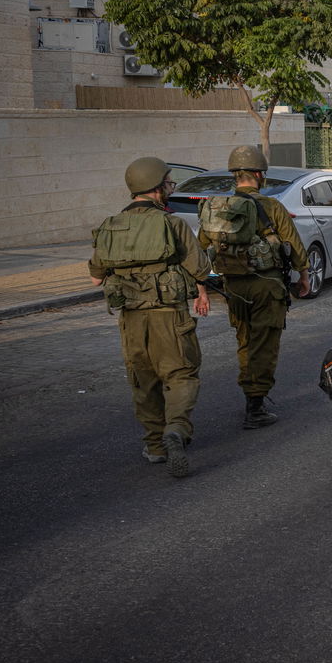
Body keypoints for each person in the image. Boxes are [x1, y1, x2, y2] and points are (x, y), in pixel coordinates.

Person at [89, 156, 212, 478]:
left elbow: (95, 277)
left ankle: (156, 446)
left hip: (130, 319)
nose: (170, 189)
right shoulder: (173, 224)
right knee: (181, 375)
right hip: (170, 316)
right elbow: (200, 268)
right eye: (169, 184)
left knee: (143, 381)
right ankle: (176, 430)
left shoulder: (110, 225)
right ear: (157, 189)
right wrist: (200, 288)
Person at [198, 145, 309, 429]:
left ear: (235, 175)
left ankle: (250, 392)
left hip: (233, 287)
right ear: (260, 175)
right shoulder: (272, 206)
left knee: (245, 341)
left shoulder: (218, 209)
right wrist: (304, 276)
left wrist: (201, 288)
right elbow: (294, 247)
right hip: (267, 287)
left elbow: (201, 249)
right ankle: (255, 405)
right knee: (265, 344)